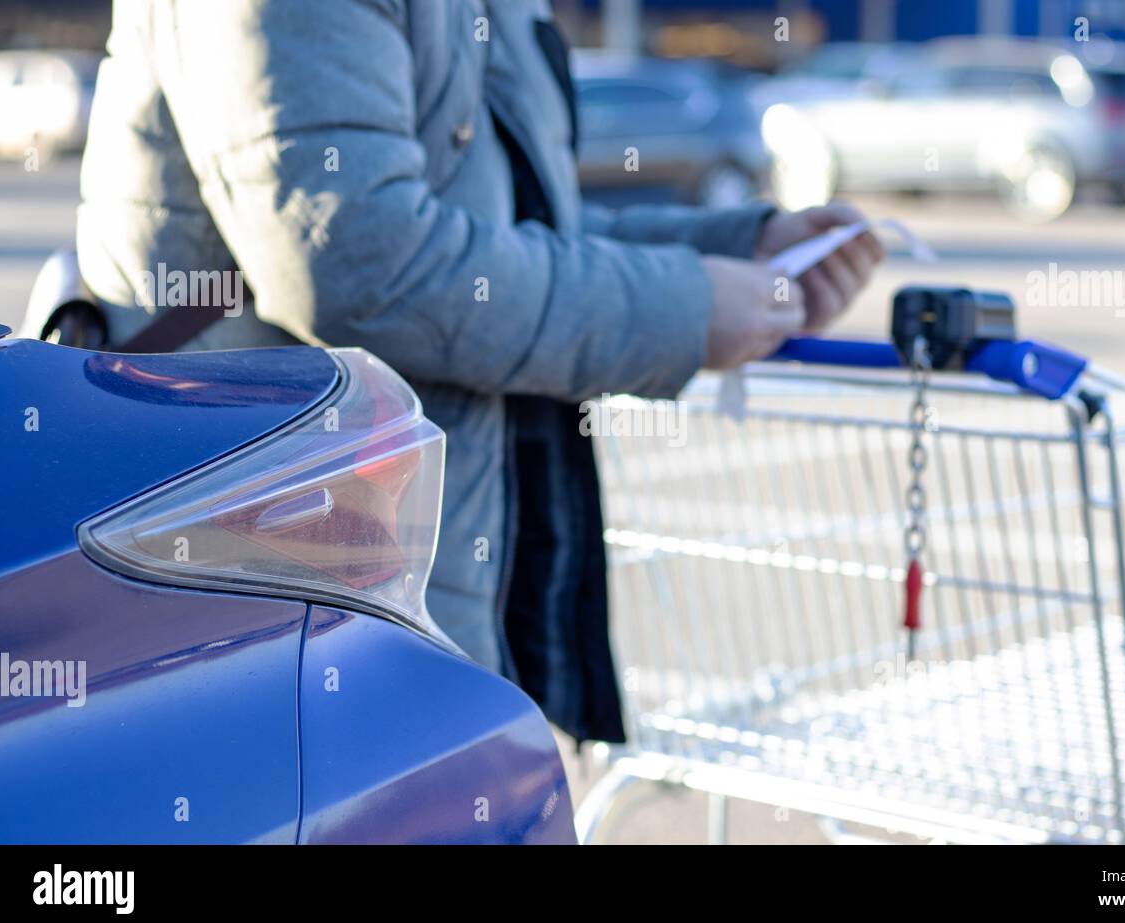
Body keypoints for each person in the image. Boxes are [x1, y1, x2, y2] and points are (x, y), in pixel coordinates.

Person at [75, 0, 883, 743]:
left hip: (406, 553)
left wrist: (737, 249)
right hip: (282, 568)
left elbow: (509, 232)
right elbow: (362, 258)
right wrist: (683, 306)